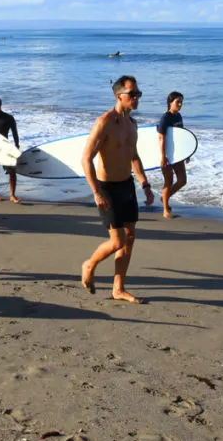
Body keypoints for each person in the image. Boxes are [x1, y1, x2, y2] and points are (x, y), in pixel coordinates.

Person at [80, 75, 154, 304]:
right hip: (107, 187)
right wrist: (96, 191)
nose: (136, 98)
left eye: (138, 93)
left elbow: (134, 156)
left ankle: (118, 288)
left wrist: (145, 183)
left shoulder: (133, 124)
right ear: (118, 96)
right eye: (132, 94)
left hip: (127, 186)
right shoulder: (105, 122)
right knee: (117, 241)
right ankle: (90, 264)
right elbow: (86, 158)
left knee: (129, 238)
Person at [157, 91, 189, 219]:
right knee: (168, 181)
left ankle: (164, 197)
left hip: (177, 154)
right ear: (170, 103)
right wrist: (163, 156)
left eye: (181, 102)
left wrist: (187, 152)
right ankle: (165, 209)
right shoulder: (165, 118)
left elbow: (182, 135)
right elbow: (161, 137)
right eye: (177, 102)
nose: (180, 104)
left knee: (182, 180)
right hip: (167, 154)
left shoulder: (179, 116)